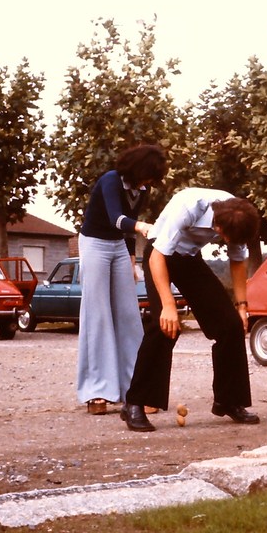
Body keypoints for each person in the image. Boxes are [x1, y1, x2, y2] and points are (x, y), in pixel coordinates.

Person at [121, 188, 261, 432]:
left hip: (189, 258)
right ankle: (135, 403)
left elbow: (238, 261)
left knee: (231, 326)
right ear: (217, 225)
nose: (228, 243)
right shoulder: (188, 207)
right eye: (226, 237)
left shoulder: (239, 215)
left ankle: (229, 401)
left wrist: (242, 306)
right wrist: (168, 306)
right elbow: (157, 257)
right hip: (159, 254)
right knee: (164, 327)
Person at [76, 144, 166, 415]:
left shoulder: (142, 190)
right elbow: (117, 219)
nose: (149, 182)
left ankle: (135, 389)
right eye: (149, 175)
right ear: (138, 168)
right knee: (98, 315)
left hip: (118, 247)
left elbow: (126, 230)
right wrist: (141, 226)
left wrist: (131, 259)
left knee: (129, 315)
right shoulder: (110, 181)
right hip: (94, 244)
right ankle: (97, 390)